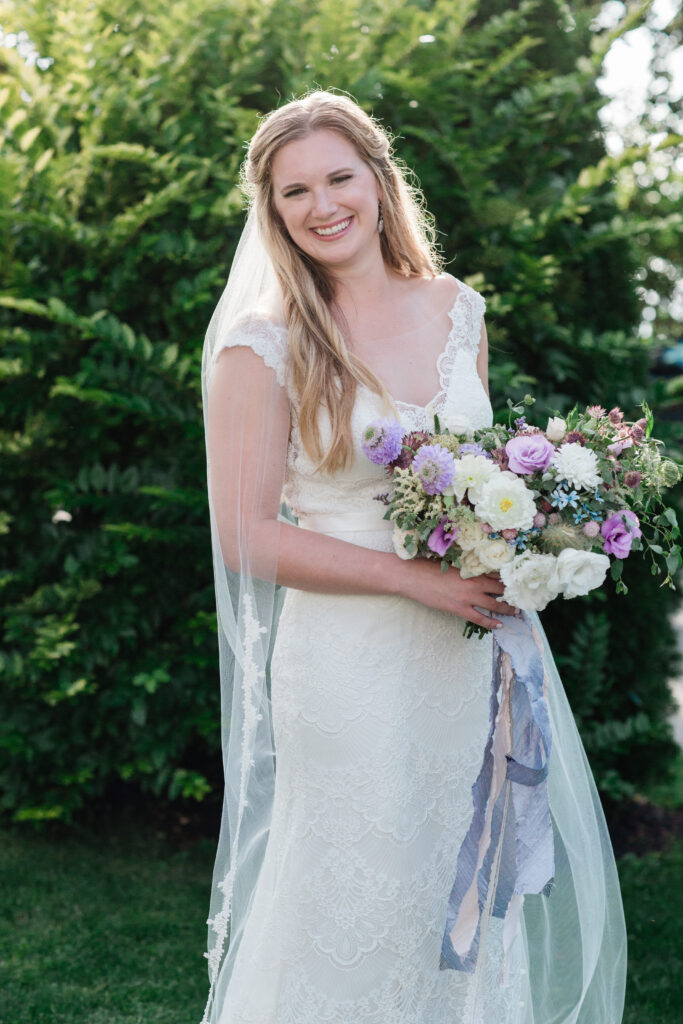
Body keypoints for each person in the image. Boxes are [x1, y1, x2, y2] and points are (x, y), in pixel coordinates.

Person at [200, 90, 626, 1024]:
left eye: (338, 178)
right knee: (359, 882)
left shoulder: (455, 308)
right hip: (349, 660)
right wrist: (411, 578)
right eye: (294, 191)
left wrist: (533, 544)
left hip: (464, 654)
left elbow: (478, 477)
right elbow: (246, 535)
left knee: (457, 870)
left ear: (379, 179)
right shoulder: (261, 345)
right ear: (271, 212)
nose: (322, 206)